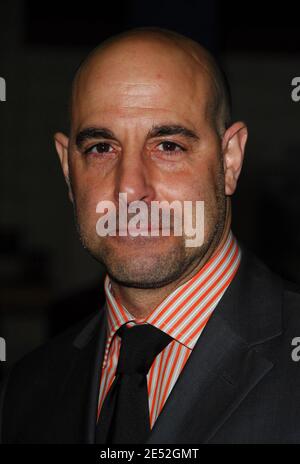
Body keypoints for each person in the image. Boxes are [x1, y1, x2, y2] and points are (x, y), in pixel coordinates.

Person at [1, 26, 300, 445]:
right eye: (101, 148)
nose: (129, 188)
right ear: (68, 169)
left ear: (230, 160)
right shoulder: (25, 389)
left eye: (169, 146)